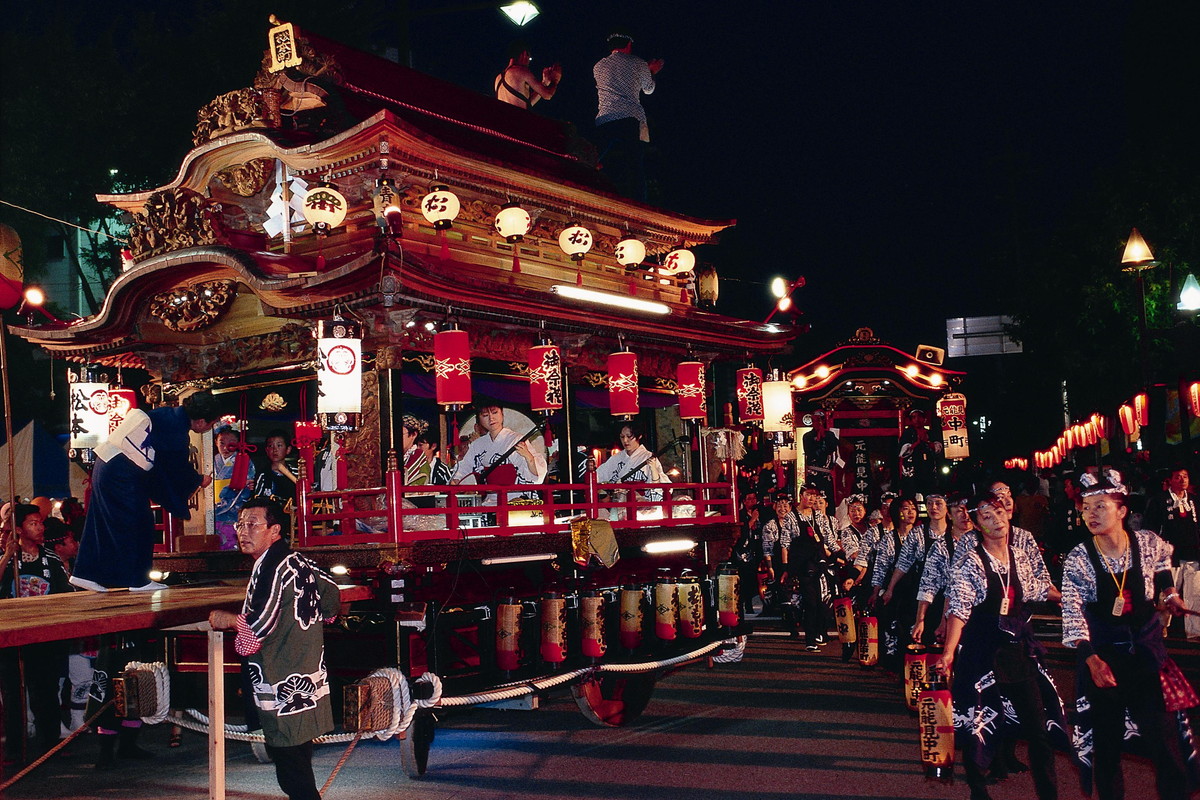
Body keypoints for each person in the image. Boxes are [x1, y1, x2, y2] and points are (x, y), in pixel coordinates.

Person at [1061, 470, 1197, 800]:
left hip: (1147, 657)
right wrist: (1091, 659)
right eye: (1086, 507)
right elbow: (1072, 612)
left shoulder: (1147, 542)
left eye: (1100, 506)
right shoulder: (1079, 558)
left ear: (1122, 510)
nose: (1090, 514)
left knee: (1164, 741)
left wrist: (1167, 592)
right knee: (1107, 748)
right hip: (1104, 661)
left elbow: (1164, 561)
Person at [934, 490, 1066, 800]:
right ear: (977, 525)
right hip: (982, 651)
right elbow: (960, 609)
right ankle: (978, 791)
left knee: (1038, 728)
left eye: (998, 512)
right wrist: (950, 651)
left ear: (1009, 514)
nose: (995, 520)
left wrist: (1073, 599)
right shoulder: (970, 562)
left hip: (1017, 650)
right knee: (977, 724)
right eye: (985, 516)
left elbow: (1037, 589)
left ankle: (1049, 794)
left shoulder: (1020, 556)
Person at [208, 498, 341, 800]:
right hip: (306, 677)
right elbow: (331, 596)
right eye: (240, 524)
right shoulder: (298, 560)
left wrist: (226, 619)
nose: (243, 531)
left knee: (293, 775)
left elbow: (254, 634)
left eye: (252, 524)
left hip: (283, 681)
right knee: (299, 764)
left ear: (275, 530)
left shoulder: (271, 567)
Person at [71, 391, 221, 592]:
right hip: (121, 471)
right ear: (202, 421)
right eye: (211, 424)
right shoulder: (176, 429)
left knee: (102, 520)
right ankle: (137, 580)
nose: (209, 427)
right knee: (139, 522)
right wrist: (198, 479)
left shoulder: (168, 415)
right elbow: (177, 468)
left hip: (107, 463)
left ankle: (84, 573)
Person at [0, 504, 72, 763]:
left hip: (43, 634)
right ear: (19, 529)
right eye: (33, 523)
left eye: (40, 522)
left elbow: (66, 592)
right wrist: (7, 556)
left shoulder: (49, 558)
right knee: (12, 692)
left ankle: (51, 744)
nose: (40, 527)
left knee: (46, 690)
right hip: (12, 634)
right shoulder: (7, 557)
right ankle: (15, 748)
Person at [593, 31, 663, 200]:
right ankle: (639, 201)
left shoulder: (598, 66)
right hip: (629, 117)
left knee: (596, 159)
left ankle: (587, 186)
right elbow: (648, 89)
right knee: (635, 163)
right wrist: (651, 71)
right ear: (629, 44)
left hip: (605, 118)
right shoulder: (639, 64)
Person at [451, 400, 548, 509]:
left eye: (495, 413)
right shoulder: (477, 445)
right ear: (479, 420)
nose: (491, 418)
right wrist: (454, 482)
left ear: (502, 414)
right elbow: (464, 468)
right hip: (489, 501)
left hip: (516, 500)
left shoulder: (516, 439)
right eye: (485, 415)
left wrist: (528, 456)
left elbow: (536, 476)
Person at [1143, 466, 1199, 638]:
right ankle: (1159, 628)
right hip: (1170, 557)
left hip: (1193, 555)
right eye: (1177, 477)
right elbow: (1149, 530)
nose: (1182, 480)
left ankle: (1194, 631)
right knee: (1167, 594)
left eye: (1185, 476)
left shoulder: (1195, 501)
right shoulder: (1159, 501)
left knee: (1195, 594)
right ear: (1169, 481)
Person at [911, 491, 972, 645]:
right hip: (947, 610)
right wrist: (920, 620)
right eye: (959, 511)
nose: (965, 515)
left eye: (968, 510)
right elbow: (927, 586)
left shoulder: (985, 541)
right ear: (950, 515)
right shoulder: (941, 546)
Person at [590, 422, 672, 517]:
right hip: (619, 504)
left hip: (641, 506)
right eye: (622, 437)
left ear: (639, 436)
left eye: (629, 436)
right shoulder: (617, 458)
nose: (625, 440)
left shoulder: (647, 456)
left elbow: (657, 486)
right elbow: (598, 476)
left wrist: (653, 468)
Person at [214, 424, 256, 551]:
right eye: (222, 443)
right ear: (216, 442)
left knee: (233, 540)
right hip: (212, 508)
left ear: (238, 443)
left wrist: (246, 485)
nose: (226, 447)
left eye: (231, 443)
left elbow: (248, 484)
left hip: (234, 508)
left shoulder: (243, 461)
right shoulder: (210, 461)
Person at [494, 42, 561, 109]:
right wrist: (555, 79)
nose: (528, 63)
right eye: (529, 58)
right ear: (524, 54)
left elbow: (527, 104)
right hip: (517, 119)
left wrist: (544, 83)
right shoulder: (521, 71)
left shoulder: (498, 78)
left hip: (503, 118)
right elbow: (547, 95)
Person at [251, 429, 298, 509]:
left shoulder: (296, 472)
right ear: (266, 450)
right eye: (270, 446)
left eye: (279, 445)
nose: (274, 450)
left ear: (288, 449)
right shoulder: (263, 475)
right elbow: (257, 499)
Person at [801, 411, 841, 499]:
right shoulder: (807, 436)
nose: (817, 423)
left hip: (826, 473)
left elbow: (834, 448)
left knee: (827, 497)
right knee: (813, 496)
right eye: (814, 420)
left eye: (819, 420)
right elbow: (809, 453)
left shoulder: (830, 435)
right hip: (813, 473)